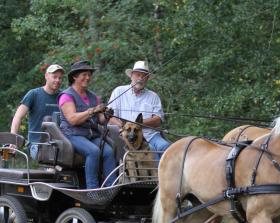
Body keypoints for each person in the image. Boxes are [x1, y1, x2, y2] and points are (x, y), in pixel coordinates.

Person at [58, 60, 117, 189]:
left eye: (89, 74)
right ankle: (92, 189)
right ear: (75, 76)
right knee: (93, 151)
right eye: (84, 74)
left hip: (91, 135)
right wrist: (92, 111)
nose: (88, 77)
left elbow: (101, 119)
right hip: (72, 135)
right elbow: (73, 119)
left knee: (108, 151)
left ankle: (110, 188)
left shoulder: (94, 97)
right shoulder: (66, 96)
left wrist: (106, 115)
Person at [107, 60, 171, 157]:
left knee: (166, 146)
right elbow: (109, 116)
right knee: (151, 150)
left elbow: (158, 120)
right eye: (138, 75)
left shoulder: (153, 96)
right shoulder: (119, 91)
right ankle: (157, 172)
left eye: (144, 76)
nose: (140, 78)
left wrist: (138, 123)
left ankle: (167, 172)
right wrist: (123, 126)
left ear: (147, 78)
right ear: (132, 75)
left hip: (151, 135)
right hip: (130, 136)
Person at [10, 64, 65, 159]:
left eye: (60, 78)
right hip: (37, 144)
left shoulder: (63, 96)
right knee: (53, 163)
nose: (57, 80)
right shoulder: (34, 94)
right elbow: (17, 117)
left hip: (59, 144)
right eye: (54, 77)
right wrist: (13, 140)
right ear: (46, 76)